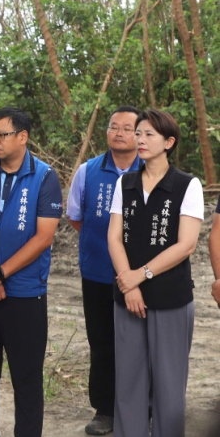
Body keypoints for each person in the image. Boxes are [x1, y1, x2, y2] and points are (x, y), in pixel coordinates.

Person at [0, 106, 62, 437]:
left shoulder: (45, 177)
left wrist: (0, 274)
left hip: (25, 294)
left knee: (27, 377)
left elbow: (44, 236)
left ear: (22, 137)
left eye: (2, 135)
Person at [107, 109, 202, 437]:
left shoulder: (187, 185)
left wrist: (141, 275)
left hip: (170, 300)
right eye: (139, 133)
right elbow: (114, 237)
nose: (140, 140)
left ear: (169, 142)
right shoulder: (126, 182)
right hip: (128, 298)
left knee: (169, 387)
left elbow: (186, 245)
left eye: (149, 134)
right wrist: (128, 284)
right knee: (128, 384)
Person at [66, 105, 142, 435]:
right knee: (102, 343)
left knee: (141, 343)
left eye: (128, 128)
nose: (119, 132)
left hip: (142, 274)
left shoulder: (154, 170)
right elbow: (75, 216)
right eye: (114, 127)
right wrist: (106, 245)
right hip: (98, 271)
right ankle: (105, 411)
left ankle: (144, 407)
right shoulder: (87, 171)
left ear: (141, 135)